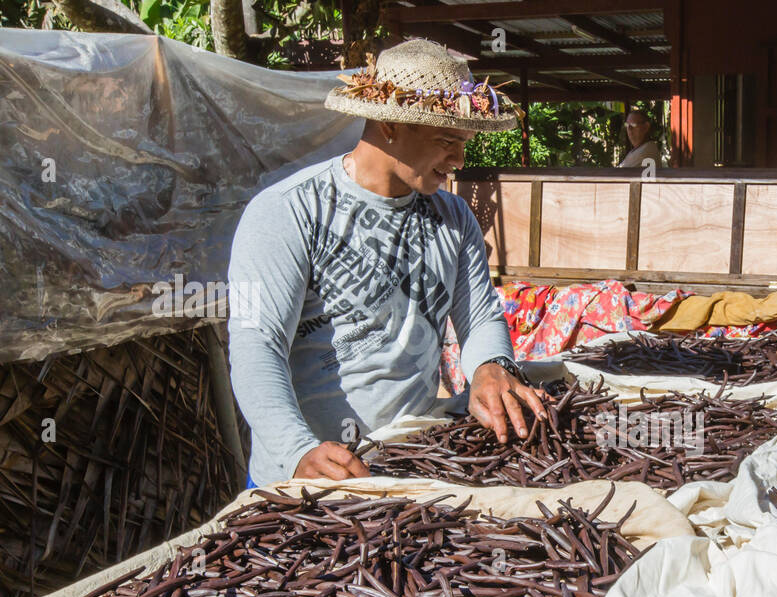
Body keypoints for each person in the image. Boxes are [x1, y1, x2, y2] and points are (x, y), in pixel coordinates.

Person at [227, 39, 545, 485]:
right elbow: (256, 346)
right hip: (307, 478)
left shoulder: (453, 219)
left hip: (407, 466)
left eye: (464, 143)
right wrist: (296, 449)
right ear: (390, 125)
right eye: (447, 140)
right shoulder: (288, 212)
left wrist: (492, 364)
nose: (458, 160)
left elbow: (480, 318)